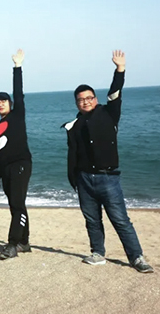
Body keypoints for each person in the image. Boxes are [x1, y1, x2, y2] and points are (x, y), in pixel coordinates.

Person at [62, 50, 154, 273]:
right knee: (92, 220)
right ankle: (98, 253)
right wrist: (74, 178)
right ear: (76, 103)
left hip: (108, 178)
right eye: (81, 100)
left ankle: (136, 257)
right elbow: (73, 154)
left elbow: (115, 93)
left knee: (121, 220)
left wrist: (120, 69)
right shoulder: (74, 125)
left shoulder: (109, 113)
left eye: (89, 98)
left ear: (95, 99)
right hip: (84, 179)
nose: (85, 102)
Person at [0, 49, 32, 260]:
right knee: (16, 204)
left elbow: (18, 92)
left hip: (20, 164)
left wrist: (17, 67)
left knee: (16, 204)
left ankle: (13, 244)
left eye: (3, 101)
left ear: (10, 103)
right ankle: (24, 241)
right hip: (5, 169)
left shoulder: (17, 115)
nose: (0, 104)